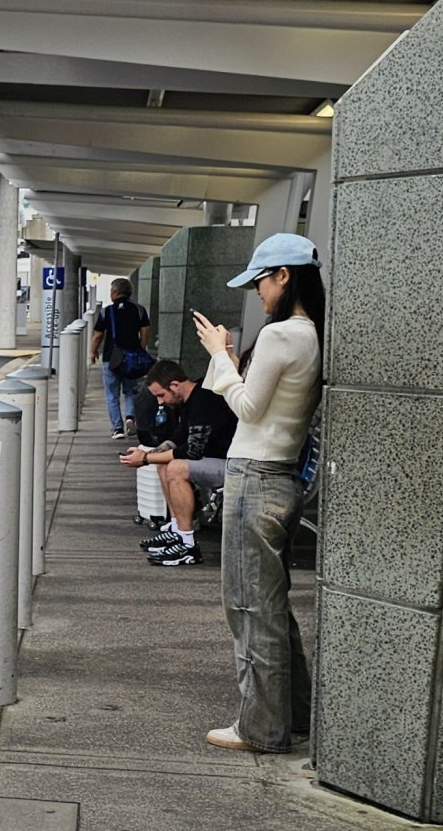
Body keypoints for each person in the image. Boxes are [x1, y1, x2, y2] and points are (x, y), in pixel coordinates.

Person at [192, 233, 325, 755]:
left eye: (261, 282)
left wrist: (219, 356)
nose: (258, 293)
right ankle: (294, 716)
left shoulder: (280, 335)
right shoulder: (313, 334)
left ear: (284, 276)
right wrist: (227, 359)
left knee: (249, 606)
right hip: (284, 476)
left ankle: (261, 728)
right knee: (271, 605)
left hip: (255, 476)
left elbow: (248, 408)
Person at [121, 359, 236, 565]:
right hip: (214, 460)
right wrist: (151, 453)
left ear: (174, 385)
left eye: (161, 395)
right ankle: (176, 529)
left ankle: (187, 545)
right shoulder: (188, 400)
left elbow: (192, 450)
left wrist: (146, 458)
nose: (160, 402)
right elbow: (180, 436)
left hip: (232, 465)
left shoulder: (204, 400)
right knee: (163, 463)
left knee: (176, 468)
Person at [90, 278, 154, 436]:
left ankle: (117, 428)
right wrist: (141, 348)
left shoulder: (107, 311)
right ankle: (130, 417)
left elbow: (98, 335)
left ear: (115, 292)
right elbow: (145, 330)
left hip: (111, 358)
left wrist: (93, 352)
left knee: (112, 394)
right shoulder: (139, 310)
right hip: (132, 358)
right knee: (130, 391)